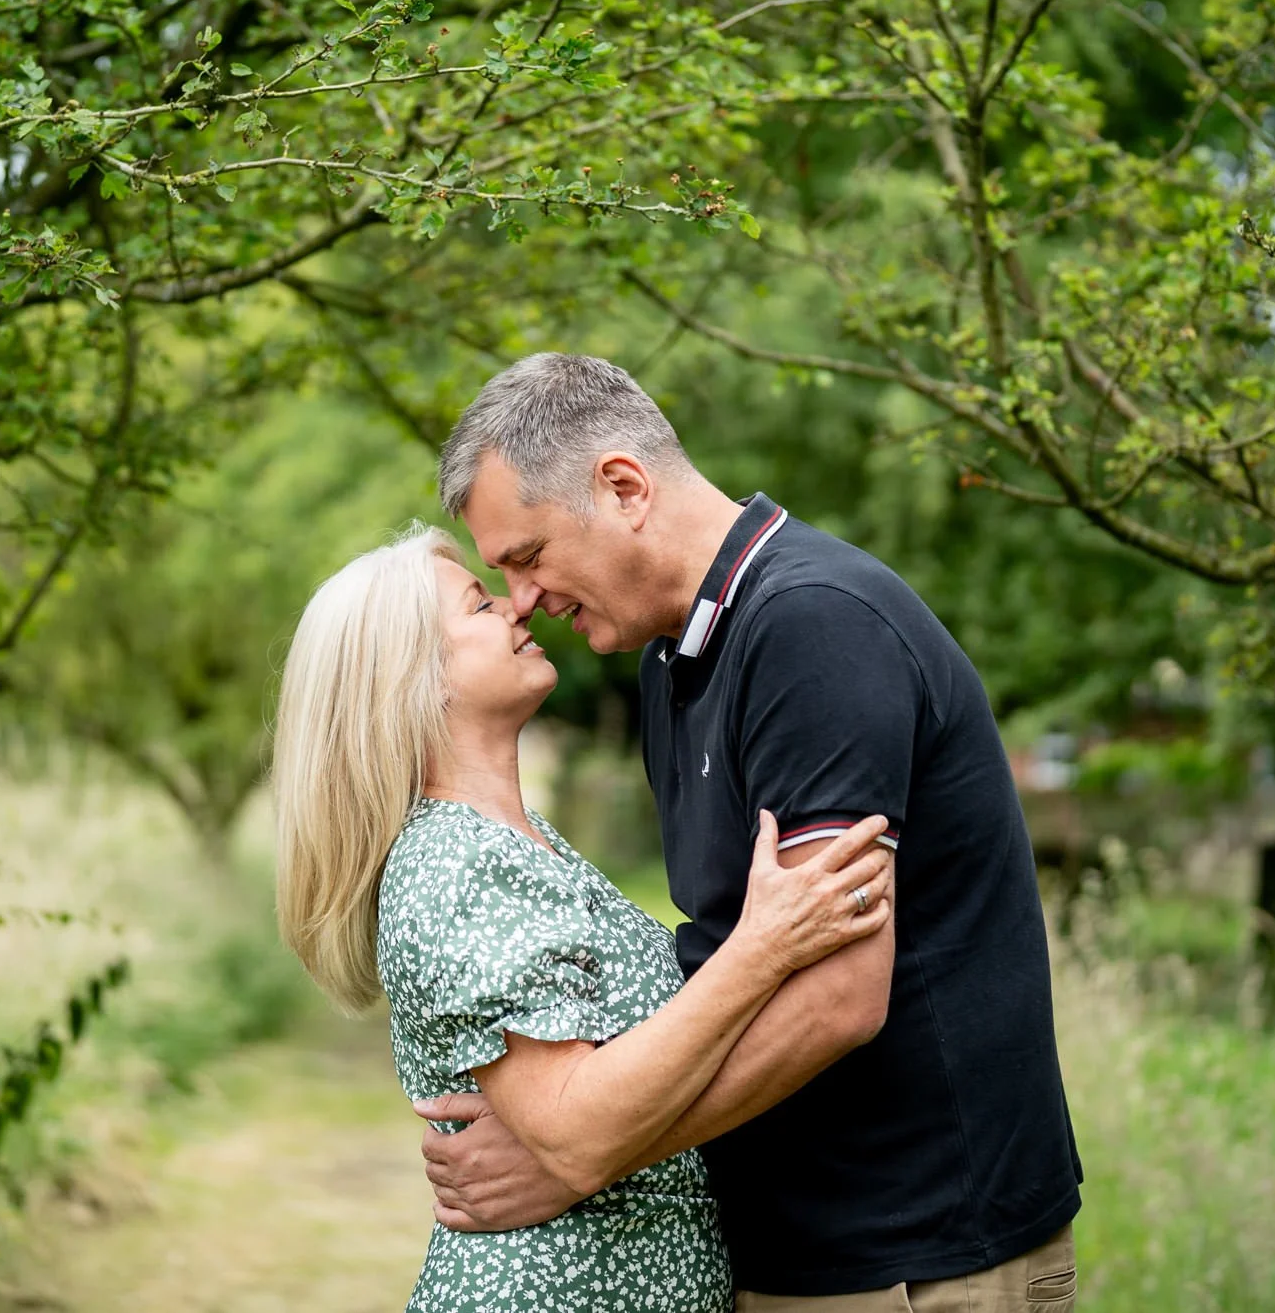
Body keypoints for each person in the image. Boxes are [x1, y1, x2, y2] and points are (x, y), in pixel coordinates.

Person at [423, 353, 1083, 1312]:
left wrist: (576, 1158)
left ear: (622, 486)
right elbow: (732, 947)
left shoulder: (811, 627)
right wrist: (560, 1109)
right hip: (798, 1250)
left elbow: (835, 996)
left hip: (924, 1259)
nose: (524, 598)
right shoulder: (673, 660)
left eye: (526, 556)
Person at [272, 523, 899, 1313]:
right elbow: (573, 1129)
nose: (516, 608)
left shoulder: (516, 842)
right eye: (478, 603)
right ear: (416, 680)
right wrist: (764, 945)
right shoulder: (458, 865)